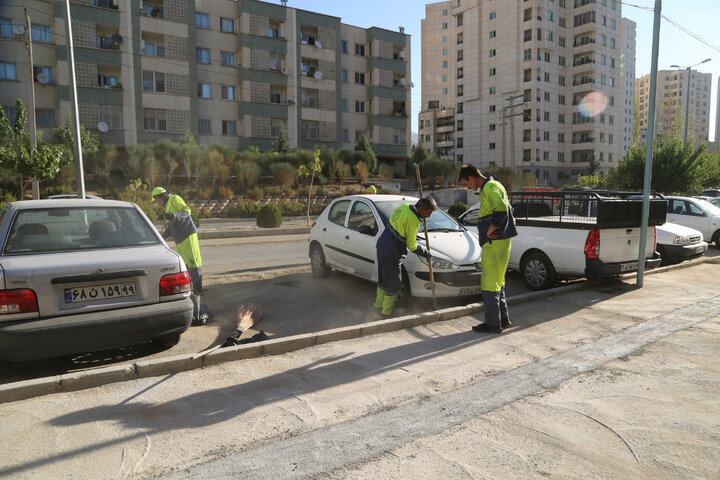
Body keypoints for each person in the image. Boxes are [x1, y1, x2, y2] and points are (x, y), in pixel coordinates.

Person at [458, 165, 517, 333]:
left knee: (489, 282)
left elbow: (501, 209)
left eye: (467, 184)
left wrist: (493, 226)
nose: (468, 188)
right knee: (499, 282)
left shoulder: (490, 187)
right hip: (500, 243)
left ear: (471, 177)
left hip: (494, 243)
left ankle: (492, 324)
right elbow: (504, 208)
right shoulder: (494, 186)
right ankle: (503, 320)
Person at [152, 187, 207, 325]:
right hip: (180, 238)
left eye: (157, 199)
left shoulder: (174, 198)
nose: (157, 202)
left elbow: (186, 211)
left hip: (187, 234)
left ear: (160, 196)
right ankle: (193, 291)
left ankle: (198, 289)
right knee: (186, 264)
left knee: (193, 260)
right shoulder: (166, 207)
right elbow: (170, 228)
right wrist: (160, 237)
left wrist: (175, 216)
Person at [375, 196, 436, 316]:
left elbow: (397, 224)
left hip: (382, 244)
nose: (428, 216)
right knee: (394, 284)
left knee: (383, 279)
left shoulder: (405, 207)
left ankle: (378, 306)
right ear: (420, 208)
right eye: (428, 213)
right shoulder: (413, 220)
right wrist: (426, 253)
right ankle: (386, 314)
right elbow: (412, 246)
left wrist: (407, 234)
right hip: (392, 251)